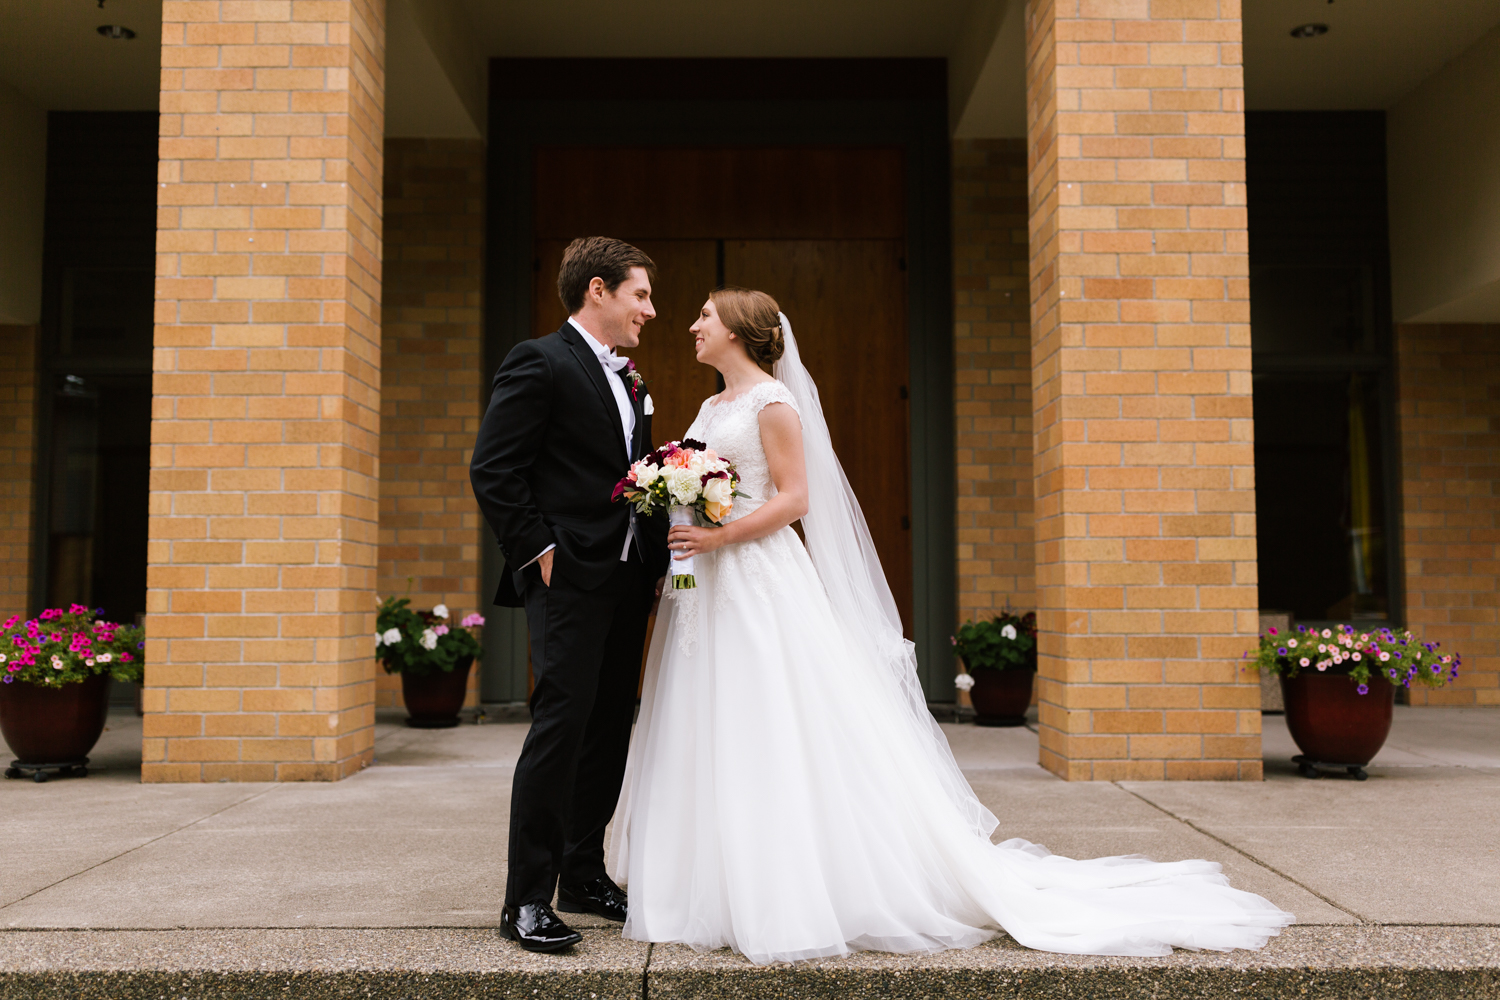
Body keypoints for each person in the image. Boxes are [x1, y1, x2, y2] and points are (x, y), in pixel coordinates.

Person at [606, 287, 1295, 964]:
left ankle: (786, 886)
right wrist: (685, 516)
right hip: (705, 579)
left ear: (738, 328)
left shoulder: (773, 403)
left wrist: (721, 539)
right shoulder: (708, 403)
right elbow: (702, 482)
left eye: (704, 315)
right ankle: (710, 877)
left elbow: (794, 499)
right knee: (713, 716)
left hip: (758, 578)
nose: (692, 324)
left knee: (771, 716)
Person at [470, 237, 669, 952]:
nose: (650, 308)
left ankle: (584, 874)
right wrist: (540, 553)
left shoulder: (631, 379)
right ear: (598, 291)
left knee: (610, 723)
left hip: (626, 577)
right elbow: (494, 469)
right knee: (561, 727)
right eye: (639, 294)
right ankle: (525, 900)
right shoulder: (539, 360)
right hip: (568, 576)